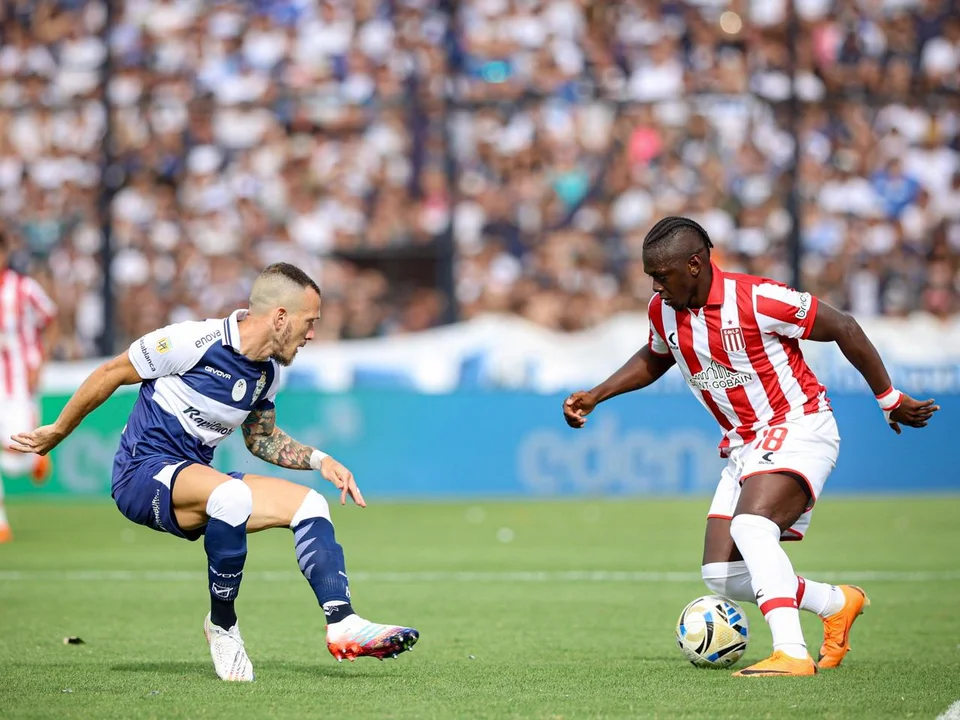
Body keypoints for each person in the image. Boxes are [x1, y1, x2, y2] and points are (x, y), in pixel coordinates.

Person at [562, 217, 939, 677]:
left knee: (752, 528)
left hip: (798, 425)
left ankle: (792, 654)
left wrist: (889, 398)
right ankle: (836, 603)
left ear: (695, 264)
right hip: (745, 445)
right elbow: (657, 356)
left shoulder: (759, 298)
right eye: (651, 277)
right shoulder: (663, 311)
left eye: (662, 275)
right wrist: (597, 395)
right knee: (720, 576)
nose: (655, 286)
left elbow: (843, 325)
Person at [9, 263, 419, 681]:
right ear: (280, 317)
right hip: (140, 474)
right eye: (309, 322)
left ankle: (342, 622)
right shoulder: (193, 341)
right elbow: (111, 373)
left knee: (309, 504)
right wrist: (57, 431)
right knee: (230, 495)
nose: (311, 334)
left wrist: (320, 460)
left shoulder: (269, 373)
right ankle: (223, 627)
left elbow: (260, 439)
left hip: (194, 480)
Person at [0, 228, 57, 542]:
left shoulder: (24, 288)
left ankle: (34, 458)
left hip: (19, 383)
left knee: (14, 459)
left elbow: (52, 320)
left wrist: (41, 362)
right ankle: (1, 523)